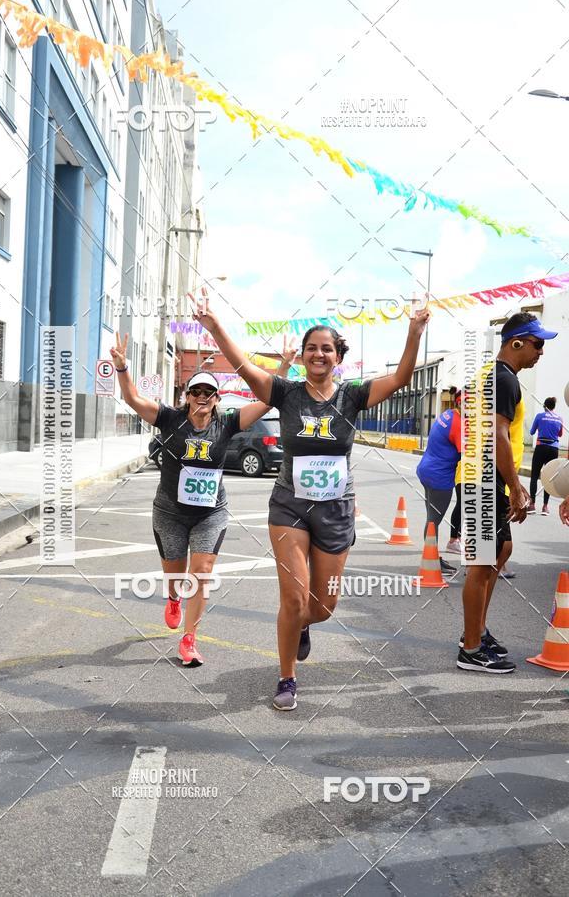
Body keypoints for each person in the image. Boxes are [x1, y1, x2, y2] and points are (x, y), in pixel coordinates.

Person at [192, 295, 430, 710]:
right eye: (311, 348)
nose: (318, 354)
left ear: (338, 356)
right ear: (302, 356)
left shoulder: (353, 396)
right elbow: (246, 368)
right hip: (289, 507)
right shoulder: (284, 392)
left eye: (327, 348)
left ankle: (303, 625)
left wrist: (413, 332)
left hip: (336, 509)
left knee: (323, 605)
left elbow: (402, 379)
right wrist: (215, 328)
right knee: (293, 598)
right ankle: (286, 678)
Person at [110, 331, 290, 666]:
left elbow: (268, 400)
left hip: (211, 513)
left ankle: (189, 640)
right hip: (170, 513)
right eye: (196, 391)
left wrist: (286, 366)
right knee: (176, 576)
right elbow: (133, 399)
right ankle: (174, 598)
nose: (202, 397)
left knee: (202, 571)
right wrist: (122, 368)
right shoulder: (169, 419)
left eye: (209, 392)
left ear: (217, 398)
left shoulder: (227, 423)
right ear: (187, 396)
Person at [457, 313, 558, 673]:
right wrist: (516, 487)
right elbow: (498, 435)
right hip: (484, 478)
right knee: (482, 563)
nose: (541, 352)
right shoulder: (503, 379)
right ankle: (470, 648)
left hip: (483, 477)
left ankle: (477, 631)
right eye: (537, 344)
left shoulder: (492, 375)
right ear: (516, 342)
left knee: (502, 550)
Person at [416, 386, 462, 575]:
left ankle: (431, 555)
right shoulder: (459, 424)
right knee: (434, 519)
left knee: (431, 518)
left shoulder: (448, 414)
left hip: (426, 470)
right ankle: (431, 560)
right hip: (439, 478)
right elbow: (466, 456)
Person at [528, 397, 564, 515]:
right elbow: (560, 434)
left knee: (534, 475)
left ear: (545, 406)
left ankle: (532, 505)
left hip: (541, 447)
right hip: (554, 449)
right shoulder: (559, 418)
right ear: (553, 406)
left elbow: (532, 432)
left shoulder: (539, 416)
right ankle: (545, 507)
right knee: (549, 477)